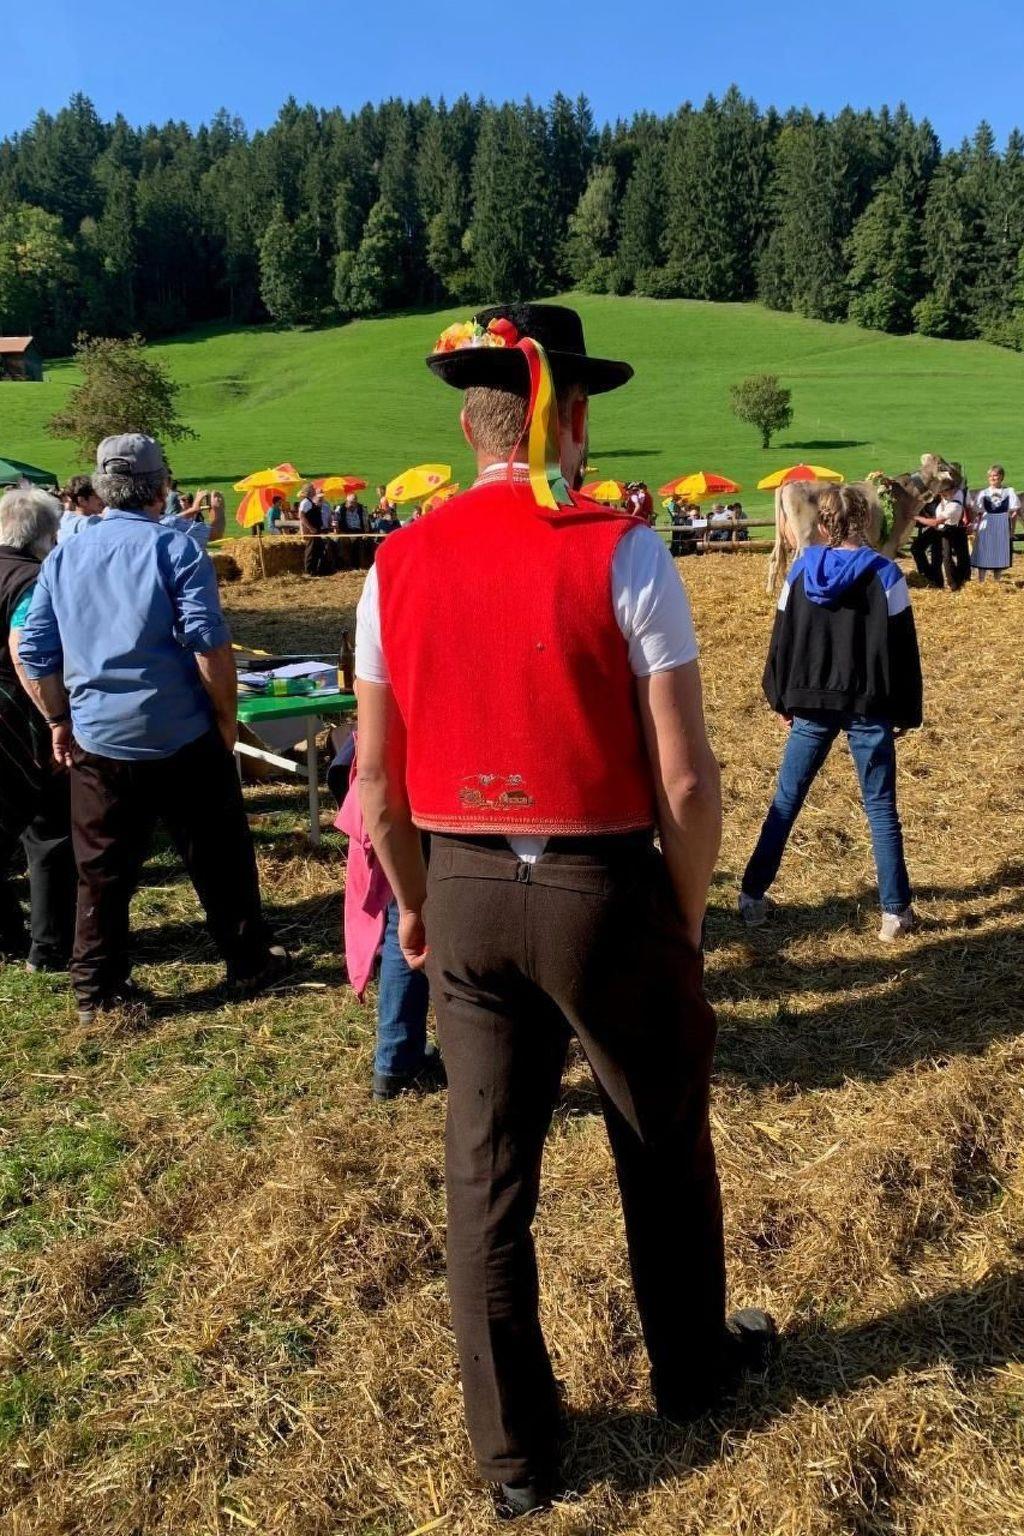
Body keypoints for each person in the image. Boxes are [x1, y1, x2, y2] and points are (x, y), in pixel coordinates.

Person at [356, 303, 775, 1518]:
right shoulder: (624, 550)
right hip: (601, 884)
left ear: (469, 425)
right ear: (570, 417)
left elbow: (375, 787)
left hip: (463, 883)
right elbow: (686, 783)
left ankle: (515, 1458)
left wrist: (419, 906)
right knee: (659, 1134)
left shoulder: (396, 561)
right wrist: (684, 915)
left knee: (485, 1175)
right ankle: (690, 1372)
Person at [17, 434, 286, 1023]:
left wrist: (58, 718)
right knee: (218, 855)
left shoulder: (64, 555)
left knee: (101, 871)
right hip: (180, 731)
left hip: (98, 738)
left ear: (102, 486)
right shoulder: (175, 548)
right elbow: (209, 645)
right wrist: (226, 718)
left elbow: (34, 650)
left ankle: (97, 991)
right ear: (161, 486)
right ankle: (248, 960)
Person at [739, 483, 922, 942]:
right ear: (865, 520)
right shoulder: (886, 573)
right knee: (880, 807)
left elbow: (781, 637)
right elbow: (903, 648)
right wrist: (905, 710)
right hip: (869, 704)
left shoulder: (801, 571)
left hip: (812, 702)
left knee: (786, 800)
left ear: (823, 524)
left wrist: (781, 696)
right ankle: (895, 913)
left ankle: (752, 896)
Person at [0, 487, 76, 970]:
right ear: (46, 536)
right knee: (48, 831)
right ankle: (48, 946)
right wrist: (56, 719)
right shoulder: (33, 579)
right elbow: (25, 649)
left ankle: (8, 934)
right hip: (17, 719)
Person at [971, 464, 1019, 581]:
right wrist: (974, 527)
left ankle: (997, 582)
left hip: (1002, 524)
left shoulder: (1009, 491)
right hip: (987, 524)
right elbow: (976, 511)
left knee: (999, 552)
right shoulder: (983, 493)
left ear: (1001, 476)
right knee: (984, 551)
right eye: (990, 476)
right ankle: (981, 581)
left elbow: (1014, 513)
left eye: (995, 475)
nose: (992, 478)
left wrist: (1012, 531)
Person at [58, 474, 104, 542]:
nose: (101, 499)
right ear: (82, 501)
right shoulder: (90, 524)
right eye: (97, 496)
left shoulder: (64, 518)